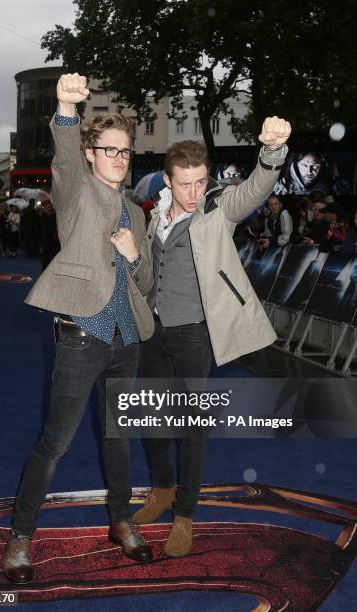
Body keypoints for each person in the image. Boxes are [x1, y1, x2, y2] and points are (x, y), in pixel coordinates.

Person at [4, 73, 154, 584]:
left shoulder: (137, 211)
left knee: (118, 438)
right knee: (57, 441)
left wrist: (135, 258)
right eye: (108, 149)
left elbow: (148, 280)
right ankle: (22, 535)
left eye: (125, 151)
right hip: (83, 334)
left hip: (125, 340)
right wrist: (67, 110)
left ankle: (121, 519)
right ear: (92, 154)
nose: (118, 157)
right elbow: (64, 158)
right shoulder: (76, 191)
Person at [133, 117, 291, 558]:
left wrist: (272, 153)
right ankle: (162, 489)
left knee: (192, 428)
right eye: (184, 184)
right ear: (168, 180)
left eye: (200, 182)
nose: (193, 193)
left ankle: (185, 514)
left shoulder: (216, 208)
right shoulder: (154, 213)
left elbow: (256, 188)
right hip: (154, 330)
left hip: (194, 334)